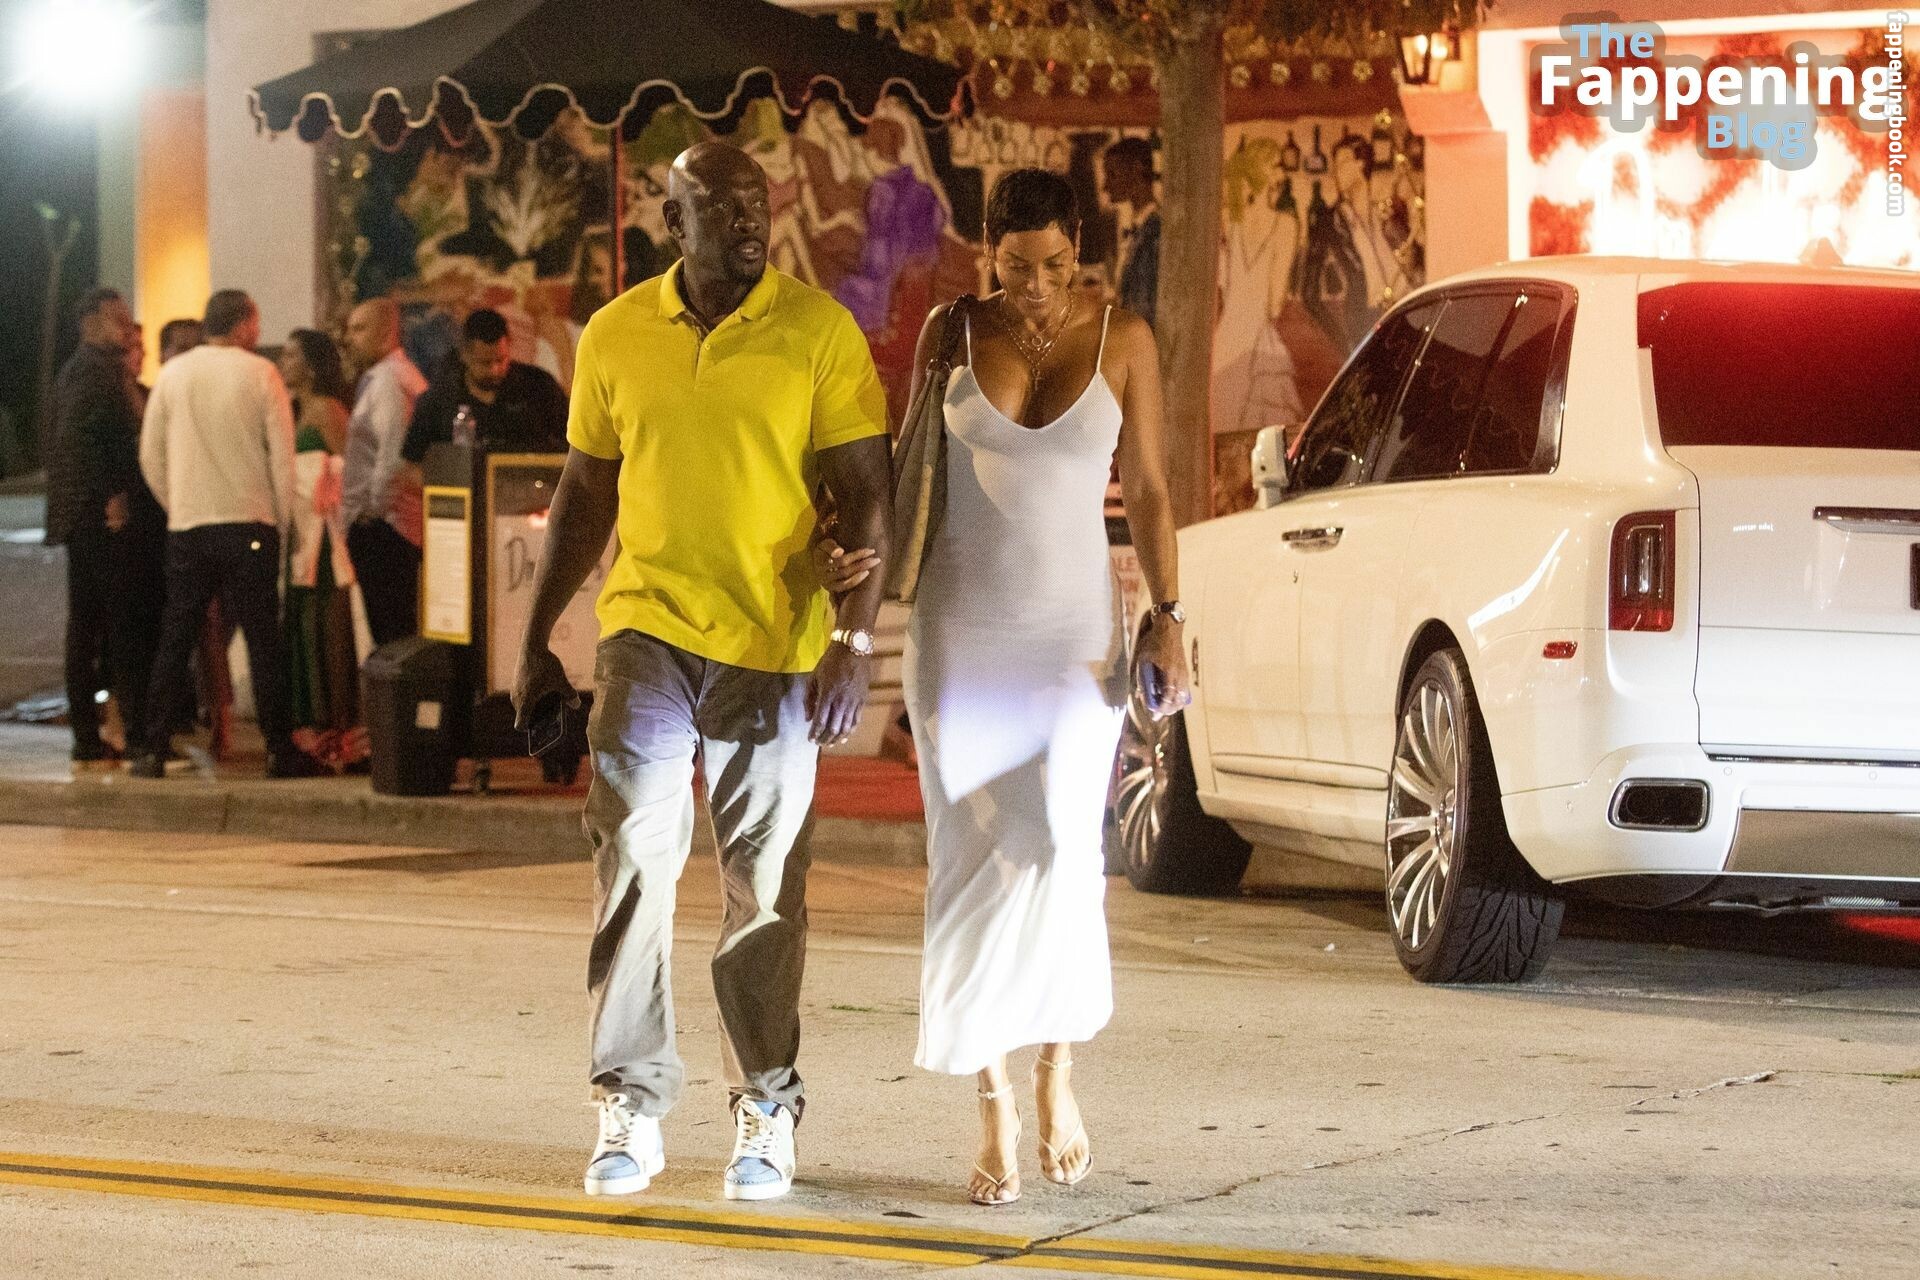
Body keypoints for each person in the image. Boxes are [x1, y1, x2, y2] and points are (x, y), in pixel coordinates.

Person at [512, 141, 891, 1204]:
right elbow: (586, 490)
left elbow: (870, 491)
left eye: (755, 202)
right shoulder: (616, 332)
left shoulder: (818, 330)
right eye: (717, 206)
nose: (746, 220)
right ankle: (630, 1101)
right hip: (647, 632)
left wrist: (853, 641)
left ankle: (765, 1103)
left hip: (773, 643)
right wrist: (537, 636)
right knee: (632, 855)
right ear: (672, 223)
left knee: (762, 887)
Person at [823, 170, 1189, 1206]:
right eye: (1015, 266)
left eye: (1055, 265)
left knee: (1068, 851)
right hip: (961, 631)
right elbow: (904, 472)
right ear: (987, 253)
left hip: (1074, 635)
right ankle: (991, 1102)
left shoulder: (1125, 337)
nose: (1034, 286)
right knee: (971, 858)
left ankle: (1055, 1068)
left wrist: (1169, 612)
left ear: (1081, 252)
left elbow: (1150, 487)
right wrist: (851, 599)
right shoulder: (950, 331)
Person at [131, 290, 323, 780]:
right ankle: (279, 749)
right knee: (263, 639)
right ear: (243, 325)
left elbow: (150, 455)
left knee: (177, 636)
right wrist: (282, 521)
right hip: (250, 522)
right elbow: (281, 457)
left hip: (189, 527)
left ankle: (152, 748)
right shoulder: (261, 373)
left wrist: (178, 503)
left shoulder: (173, 374)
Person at [44, 288, 164, 768]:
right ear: (91, 322)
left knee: (91, 627)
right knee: (117, 628)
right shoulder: (94, 373)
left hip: (85, 516)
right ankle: (128, 736)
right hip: (98, 520)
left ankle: (91, 739)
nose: (127, 327)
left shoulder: (87, 371)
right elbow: (94, 440)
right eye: (118, 318)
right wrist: (113, 492)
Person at [278, 329, 362, 768]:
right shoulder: (290, 409)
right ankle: (308, 722)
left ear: (311, 365)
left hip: (323, 535)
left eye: (292, 356)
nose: (283, 363)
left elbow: (350, 470)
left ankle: (335, 724)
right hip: (297, 534)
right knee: (301, 624)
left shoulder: (328, 410)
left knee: (324, 624)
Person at [341, 297, 428, 648]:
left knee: (392, 633)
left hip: (388, 528)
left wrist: (372, 512)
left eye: (359, 329)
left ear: (386, 332)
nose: (349, 338)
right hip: (387, 525)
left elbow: (393, 456)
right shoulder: (385, 377)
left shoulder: (389, 381)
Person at [401, 308, 569, 466]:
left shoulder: (539, 386)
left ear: (509, 347)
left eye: (501, 360)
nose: (495, 370)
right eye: (485, 363)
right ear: (464, 355)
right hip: (465, 486)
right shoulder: (440, 399)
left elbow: (573, 442)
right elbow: (413, 462)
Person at [1101, 137, 1161, 330]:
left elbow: (1144, 310)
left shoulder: (1155, 233)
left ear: (1136, 170)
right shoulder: (1139, 229)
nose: (1105, 186)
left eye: (1112, 174)